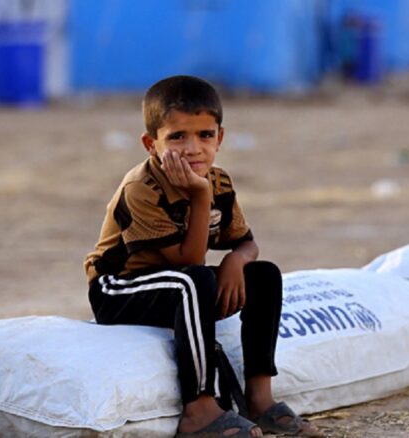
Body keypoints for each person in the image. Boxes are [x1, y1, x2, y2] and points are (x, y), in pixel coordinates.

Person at [84, 75, 321, 438]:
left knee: (264, 274)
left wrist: (235, 261)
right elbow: (189, 262)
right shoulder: (142, 188)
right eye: (177, 137)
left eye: (205, 135)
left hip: (178, 284)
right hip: (120, 290)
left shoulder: (219, 182)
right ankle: (199, 408)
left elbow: (247, 243)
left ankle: (260, 399)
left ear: (220, 138)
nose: (193, 149)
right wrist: (199, 195)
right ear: (151, 144)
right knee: (194, 280)